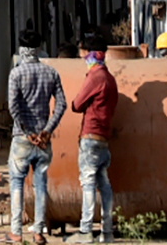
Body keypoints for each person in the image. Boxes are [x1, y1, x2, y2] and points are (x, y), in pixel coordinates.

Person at [6, 28, 67, 243]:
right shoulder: (51, 73)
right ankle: (39, 231)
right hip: (44, 140)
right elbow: (62, 104)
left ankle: (16, 232)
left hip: (22, 137)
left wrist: (26, 130)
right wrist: (47, 130)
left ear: (21, 49)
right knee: (41, 184)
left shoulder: (16, 73)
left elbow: (13, 107)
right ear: (39, 48)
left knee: (16, 183)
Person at [71, 40, 116, 243]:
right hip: (104, 137)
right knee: (104, 184)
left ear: (89, 53)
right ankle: (107, 231)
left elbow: (77, 104)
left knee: (88, 183)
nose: (82, 57)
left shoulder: (95, 76)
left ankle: (85, 230)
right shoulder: (110, 78)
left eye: (83, 53)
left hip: (90, 137)